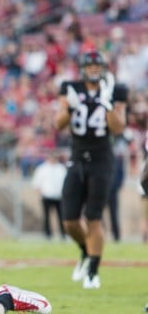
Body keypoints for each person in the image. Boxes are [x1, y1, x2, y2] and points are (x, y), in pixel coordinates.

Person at [54, 50, 128, 289]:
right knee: (69, 221)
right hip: (77, 158)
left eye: (98, 67)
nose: (94, 70)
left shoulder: (115, 90)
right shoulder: (71, 87)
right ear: (83, 68)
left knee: (94, 217)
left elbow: (118, 129)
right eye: (90, 66)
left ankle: (93, 272)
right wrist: (70, 107)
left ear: (104, 69)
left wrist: (107, 104)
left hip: (102, 159)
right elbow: (58, 123)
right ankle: (86, 251)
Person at [31, 151, 67, 241]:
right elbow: (36, 183)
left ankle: (63, 234)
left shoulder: (61, 168)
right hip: (47, 196)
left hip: (59, 197)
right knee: (46, 217)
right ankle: (48, 234)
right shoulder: (42, 169)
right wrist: (41, 194)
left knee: (61, 216)